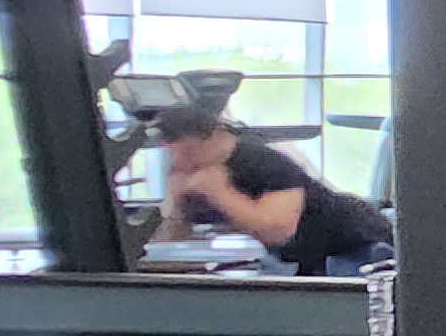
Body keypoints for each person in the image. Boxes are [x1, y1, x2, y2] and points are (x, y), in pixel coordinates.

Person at [148, 105, 394, 276]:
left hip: (354, 244)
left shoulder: (262, 163)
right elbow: (172, 235)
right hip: (296, 258)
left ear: (213, 138)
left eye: (189, 152)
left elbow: (278, 231)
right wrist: (176, 204)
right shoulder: (191, 172)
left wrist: (221, 193)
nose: (182, 161)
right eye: (173, 154)